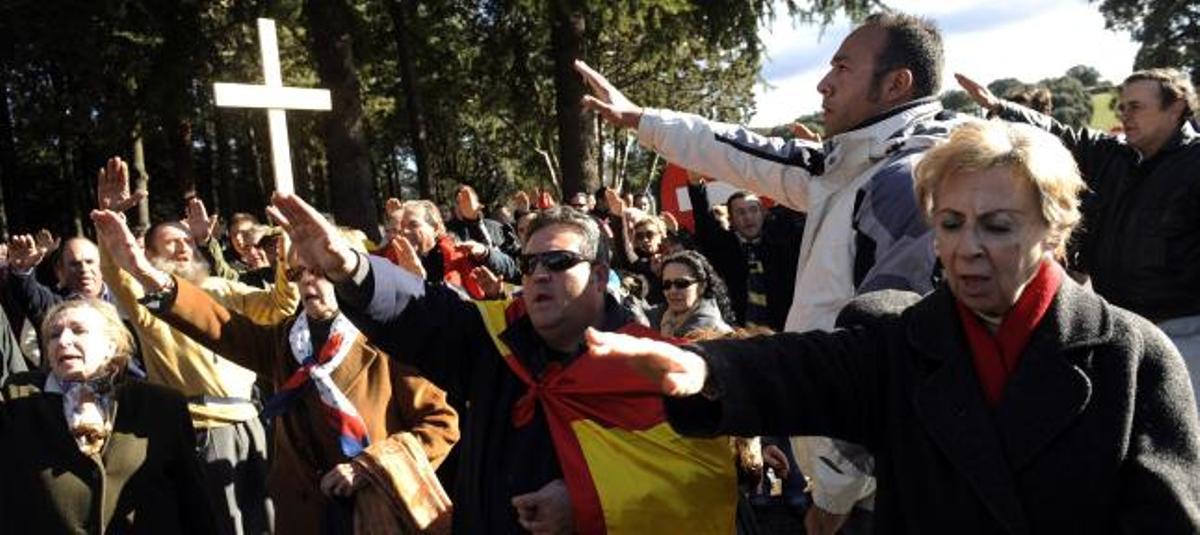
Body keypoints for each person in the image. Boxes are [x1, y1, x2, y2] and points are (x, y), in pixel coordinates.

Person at [590, 120, 1200, 533]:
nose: (966, 247)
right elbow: (804, 368)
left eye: (997, 225)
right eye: (951, 223)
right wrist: (704, 367)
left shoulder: (1132, 357)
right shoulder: (899, 340)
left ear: (1055, 228)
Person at [579, 12, 960, 531]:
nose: (824, 83)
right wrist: (641, 120)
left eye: (842, 68)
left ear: (896, 84)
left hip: (881, 492)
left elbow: (890, 356)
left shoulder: (904, 183)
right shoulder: (848, 165)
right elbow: (744, 152)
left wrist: (835, 494)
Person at [269, 197, 739, 534]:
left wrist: (585, 503)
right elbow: (420, 312)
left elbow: (697, 486)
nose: (539, 274)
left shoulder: (652, 363)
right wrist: (349, 266)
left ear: (600, 276)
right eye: (530, 263)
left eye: (559, 261)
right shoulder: (495, 336)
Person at [93, 209, 461, 534]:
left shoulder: (389, 339)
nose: (308, 281)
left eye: (320, 271)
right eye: (299, 272)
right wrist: (145, 273)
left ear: (348, 272)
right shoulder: (287, 342)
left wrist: (371, 467)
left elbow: (441, 425)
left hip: (380, 513)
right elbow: (218, 324)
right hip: (308, 519)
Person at [958, 68, 1200, 407]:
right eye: (1122, 106)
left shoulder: (1194, 164)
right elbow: (1059, 133)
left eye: (1135, 107)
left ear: (1175, 108)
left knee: (1183, 423)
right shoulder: (1116, 156)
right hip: (1124, 326)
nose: (1124, 115)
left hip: (1184, 331)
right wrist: (1001, 108)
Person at [95, 156, 296, 535]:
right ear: (149, 256)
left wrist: (287, 249)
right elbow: (116, 273)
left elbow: (280, 306)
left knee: (269, 522)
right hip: (199, 429)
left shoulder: (224, 289)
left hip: (252, 422)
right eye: (171, 243)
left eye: (187, 240)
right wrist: (110, 220)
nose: (183, 248)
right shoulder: (148, 300)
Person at [0, 299, 215, 533]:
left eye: (78, 331)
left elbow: (193, 500)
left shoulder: (160, 405)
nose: (63, 341)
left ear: (111, 346)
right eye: (54, 335)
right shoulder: (15, 401)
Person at [688, 177, 804, 331]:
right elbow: (704, 220)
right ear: (731, 220)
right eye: (740, 212)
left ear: (763, 213)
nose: (748, 217)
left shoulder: (784, 242)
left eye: (753, 210)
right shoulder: (724, 247)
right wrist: (695, 185)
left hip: (787, 329)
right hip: (741, 332)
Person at [650, 250, 736, 338]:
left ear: (702, 286)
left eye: (681, 283)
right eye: (667, 285)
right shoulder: (660, 320)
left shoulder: (714, 333)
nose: (672, 291)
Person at [446, 184, 521, 260]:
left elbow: (513, 260)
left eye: (469, 200)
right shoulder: (447, 233)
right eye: (460, 201)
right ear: (455, 206)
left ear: (478, 204)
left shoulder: (496, 228)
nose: (466, 205)